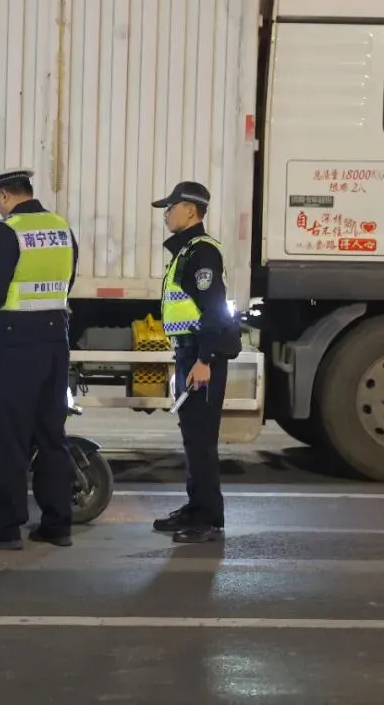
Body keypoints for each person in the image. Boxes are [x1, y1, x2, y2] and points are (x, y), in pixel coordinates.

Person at [0, 168, 79, 550]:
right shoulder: (61, 228)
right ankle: (57, 525)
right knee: (51, 436)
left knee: (11, 438)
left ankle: (7, 527)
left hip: (16, 344)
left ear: (4, 196)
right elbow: (67, 281)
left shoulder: (6, 233)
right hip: (55, 340)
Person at [150, 181, 242, 544]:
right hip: (189, 352)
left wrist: (204, 360)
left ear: (190, 210)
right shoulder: (187, 250)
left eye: (170, 207)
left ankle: (208, 518)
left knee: (201, 440)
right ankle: (195, 507)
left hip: (202, 354)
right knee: (192, 436)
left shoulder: (202, 252)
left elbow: (214, 311)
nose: (166, 214)